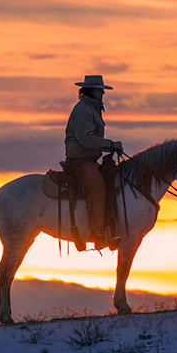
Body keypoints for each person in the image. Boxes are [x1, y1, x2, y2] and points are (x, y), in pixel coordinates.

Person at [65, 75, 124, 248]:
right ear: (92, 91)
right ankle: (99, 236)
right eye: (100, 90)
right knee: (98, 189)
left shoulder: (91, 109)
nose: (103, 93)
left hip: (88, 159)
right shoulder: (83, 110)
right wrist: (110, 144)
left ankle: (107, 229)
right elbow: (86, 139)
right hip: (80, 160)